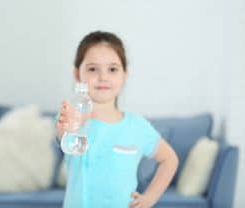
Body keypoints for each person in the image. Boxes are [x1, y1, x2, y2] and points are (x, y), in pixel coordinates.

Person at [55, 31, 179, 208]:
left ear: (125, 74)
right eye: (92, 69)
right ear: (77, 74)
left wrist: (149, 199)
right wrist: (70, 124)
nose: (103, 77)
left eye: (112, 69)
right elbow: (64, 134)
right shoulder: (73, 117)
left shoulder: (137, 127)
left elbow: (169, 159)